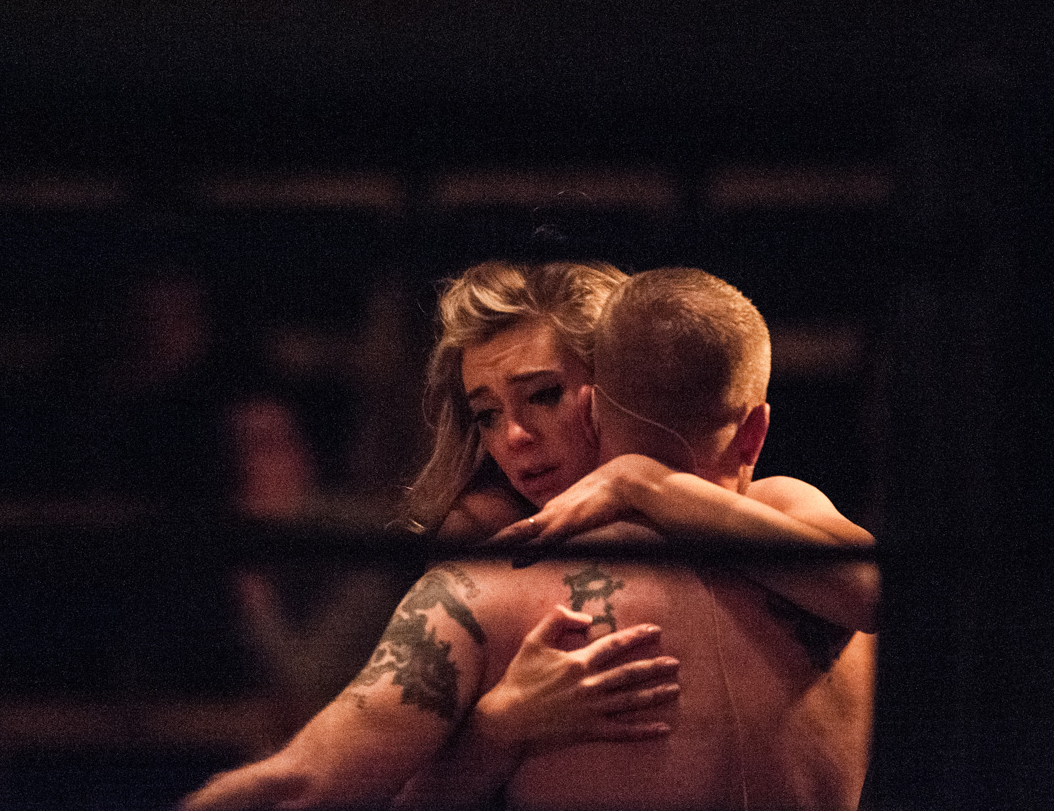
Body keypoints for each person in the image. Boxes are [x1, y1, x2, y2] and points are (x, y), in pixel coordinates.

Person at [181, 262, 877, 810]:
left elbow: (884, 595)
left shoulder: (788, 516)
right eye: (485, 415)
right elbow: (307, 786)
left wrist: (644, 483)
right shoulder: (485, 577)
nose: (513, 439)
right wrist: (499, 729)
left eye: (543, 395)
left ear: (612, 383)